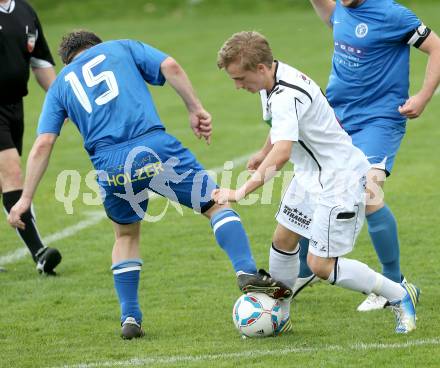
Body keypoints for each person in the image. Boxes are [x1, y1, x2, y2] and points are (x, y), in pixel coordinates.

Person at [7, 30, 292, 339]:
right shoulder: (122, 48)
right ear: (96, 45)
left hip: (110, 166)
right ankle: (245, 269)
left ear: (67, 60)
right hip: (154, 149)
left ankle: (130, 317)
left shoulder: (60, 85)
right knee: (215, 203)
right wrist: (195, 108)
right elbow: (170, 66)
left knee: (126, 235)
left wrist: (24, 199)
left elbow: (43, 144)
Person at [213, 30, 418, 334]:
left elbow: (283, 152)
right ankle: (279, 314)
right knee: (283, 240)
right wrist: (262, 151)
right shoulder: (270, 81)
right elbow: (281, 129)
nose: (237, 86)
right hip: (310, 174)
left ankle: (399, 296)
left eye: (240, 79)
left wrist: (241, 190)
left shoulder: (286, 93)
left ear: (260, 68)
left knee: (321, 265)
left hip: (339, 179)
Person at [295, 0, 440, 311]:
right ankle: (304, 270)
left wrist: (424, 96)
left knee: (368, 192)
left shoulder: (394, 15)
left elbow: (437, 47)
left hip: (379, 119)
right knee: (311, 185)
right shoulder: (340, 11)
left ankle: (395, 283)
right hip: (336, 117)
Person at [0, 0, 62, 274]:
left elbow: (40, 62)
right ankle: (39, 252)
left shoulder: (25, 11)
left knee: (3, 182)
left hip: (15, 107)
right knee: (12, 174)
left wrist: (64, 99)